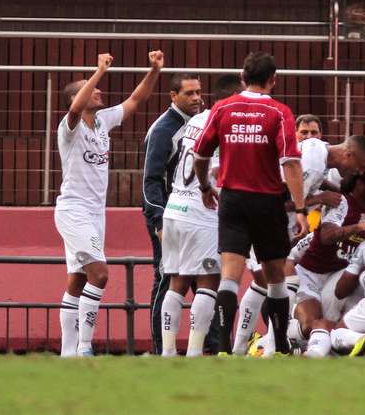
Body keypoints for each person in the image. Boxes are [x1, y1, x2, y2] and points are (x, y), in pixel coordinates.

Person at [194, 51, 308, 355]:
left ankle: (222, 347)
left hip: (232, 199)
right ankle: (281, 346)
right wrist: (300, 208)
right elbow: (291, 163)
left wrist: (206, 185)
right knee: (275, 276)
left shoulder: (222, 108)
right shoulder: (280, 112)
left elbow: (201, 154)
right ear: (273, 80)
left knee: (229, 275)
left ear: (243, 77)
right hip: (267, 201)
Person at [56, 50, 163, 357]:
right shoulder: (69, 127)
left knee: (77, 279)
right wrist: (99, 71)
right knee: (100, 275)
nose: (99, 90)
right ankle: (85, 347)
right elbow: (76, 107)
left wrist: (153, 70)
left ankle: (67, 354)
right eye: (90, 88)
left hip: (94, 213)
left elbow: (134, 101)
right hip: (74, 210)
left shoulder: (103, 121)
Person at [231, 134, 365, 354]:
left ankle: (255, 346)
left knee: (270, 285)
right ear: (348, 154)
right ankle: (256, 346)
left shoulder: (317, 150)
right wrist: (320, 199)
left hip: (260, 215)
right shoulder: (314, 166)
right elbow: (279, 202)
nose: (360, 172)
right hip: (259, 217)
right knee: (268, 282)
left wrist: (329, 192)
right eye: (360, 166)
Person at [159, 74, 243, 357]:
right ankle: (194, 354)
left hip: (174, 209)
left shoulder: (196, 120)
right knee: (209, 281)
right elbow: (215, 168)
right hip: (201, 211)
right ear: (233, 98)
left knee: (177, 283)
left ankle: (168, 353)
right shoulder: (226, 122)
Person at [292, 165, 365, 357]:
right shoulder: (342, 202)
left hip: (336, 278)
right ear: (361, 185)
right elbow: (327, 236)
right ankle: (275, 341)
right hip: (310, 277)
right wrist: (362, 226)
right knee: (310, 325)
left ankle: (320, 352)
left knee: (333, 323)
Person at [142, 72, 204, 354]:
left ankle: (210, 347)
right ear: (173, 96)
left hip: (197, 216)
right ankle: (160, 349)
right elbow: (151, 180)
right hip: (170, 217)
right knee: (167, 277)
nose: (196, 98)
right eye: (189, 93)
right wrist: (158, 219)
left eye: (199, 92)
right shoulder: (163, 130)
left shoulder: (199, 124)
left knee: (202, 277)